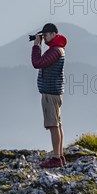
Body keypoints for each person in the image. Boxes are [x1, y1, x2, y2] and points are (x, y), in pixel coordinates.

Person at [31, 23, 67, 168]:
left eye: (45, 35)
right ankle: (60, 156)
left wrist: (36, 46)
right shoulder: (58, 49)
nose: (44, 38)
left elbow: (37, 63)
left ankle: (56, 158)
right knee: (57, 124)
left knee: (53, 125)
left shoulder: (55, 51)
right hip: (54, 92)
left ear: (53, 34)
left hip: (50, 93)